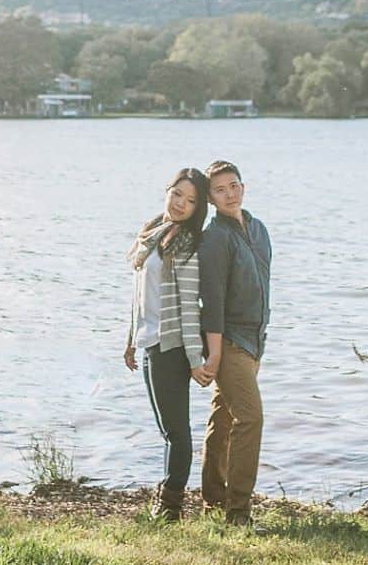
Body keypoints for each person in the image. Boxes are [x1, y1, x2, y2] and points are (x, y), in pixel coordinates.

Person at [123, 167, 212, 521]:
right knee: (166, 429)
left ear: (198, 208)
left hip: (171, 346)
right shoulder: (155, 230)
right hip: (150, 341)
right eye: (177, 194)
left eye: (191, 201)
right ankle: (167, 501)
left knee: (176, 431)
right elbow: (141, 295)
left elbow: (190, 308)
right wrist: (131, 340)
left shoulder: (188, 244)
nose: (181, 204)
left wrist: (194, 359)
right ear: (168, 190)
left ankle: (170, 507)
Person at [195, 158, 272, 528]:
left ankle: (212, 499)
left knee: (224, 418)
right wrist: (214, 353)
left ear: (243, 186)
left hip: (256, 340)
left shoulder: (258, 229)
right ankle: (239, 513)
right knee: (251, 419)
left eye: (234, 185)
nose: (230, 194)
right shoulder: (215, 238)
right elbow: (212, 299)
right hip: (229, 342)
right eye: (220, 189)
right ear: (210, 198)